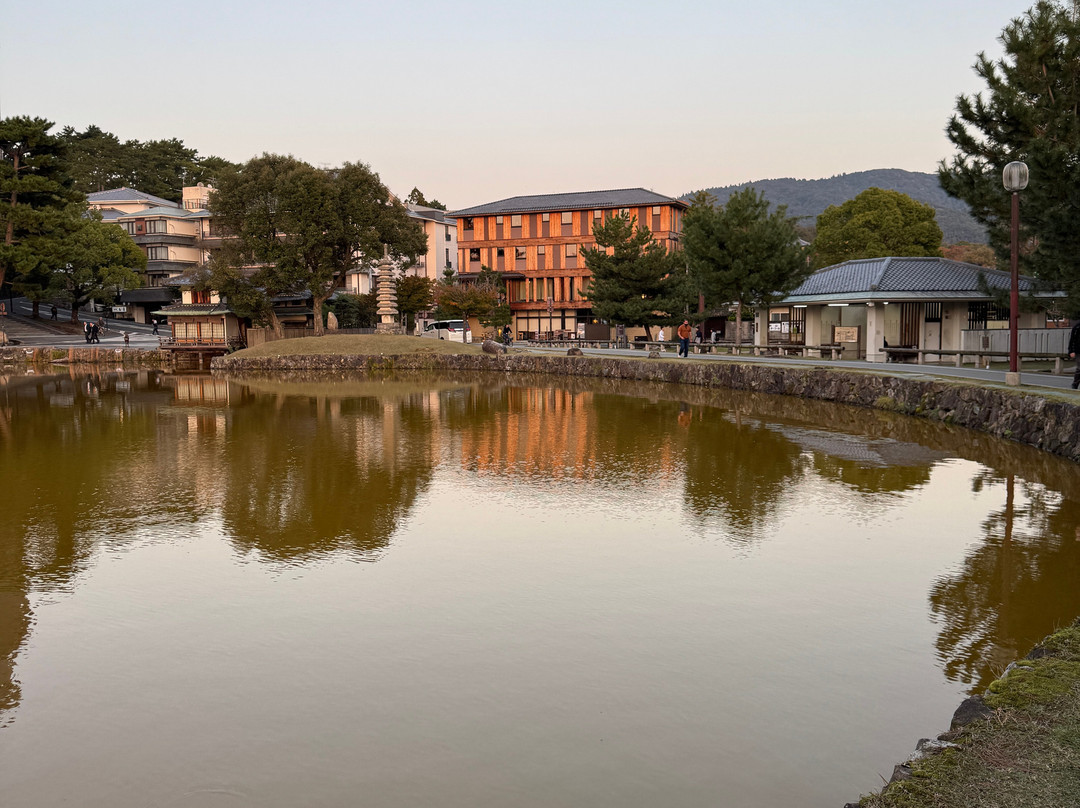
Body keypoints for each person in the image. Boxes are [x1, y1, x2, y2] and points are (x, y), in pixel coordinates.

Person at [1069, 318, 1080, 390]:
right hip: (1078, 351)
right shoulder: (1077, 327)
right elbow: (1072, 340)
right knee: (1079, 367)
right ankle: (1075, 383)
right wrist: (1071, 351)